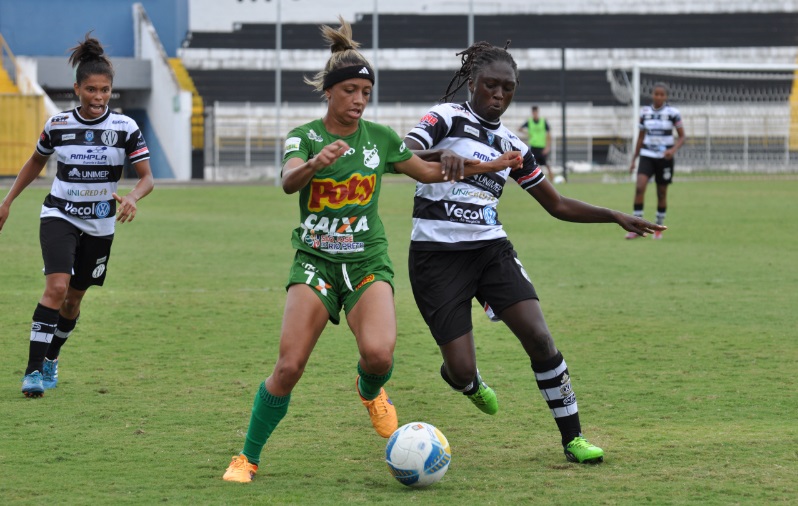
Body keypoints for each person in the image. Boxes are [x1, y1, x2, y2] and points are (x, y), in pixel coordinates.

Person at [222, 18, 521, 484]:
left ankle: (370, 391)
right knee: (288, 367)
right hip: (315, 263)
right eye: (351, 91)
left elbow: (426, 171)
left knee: (380, 355)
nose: (360, 100)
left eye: (366, 91)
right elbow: (288, 181)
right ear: (329, 92)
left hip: (366, 262)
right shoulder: (304, 136)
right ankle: (247, 456)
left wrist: (491, 163)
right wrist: (317, 163)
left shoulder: (379, 139)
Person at [403, 41, 665, 464]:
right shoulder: (445, 117)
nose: (499, 95)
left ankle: (574, 438)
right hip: (436, 257)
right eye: (491, 85)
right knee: (462, 370)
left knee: (540, 338)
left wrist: (615, 214)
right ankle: (465, 382)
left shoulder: (514, 146)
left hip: (490, 251)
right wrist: (441, 153)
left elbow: (557, 204)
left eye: (508, 88)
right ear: (473, 83)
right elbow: (404, 154)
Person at [0, 34, 154, 398]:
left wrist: (132, 196)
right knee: (56, 288)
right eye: (91, 90)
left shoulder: (125, 129)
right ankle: (33, 371)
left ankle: (52, 356)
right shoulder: (57, 125)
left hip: (100, 223)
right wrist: (7, 201)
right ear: (77, 88)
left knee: (73, 299)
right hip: (59, 215)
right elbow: (36, 161)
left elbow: (147, 178)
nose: (98, 97)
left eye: (104, 90)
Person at [627, 82, 685, 240]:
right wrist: (634, 159)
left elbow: (682, 136)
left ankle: (658, 227)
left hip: (664, 159)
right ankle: (636, 227)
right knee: (640, 187)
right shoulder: (645, 112)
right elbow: (640, 137)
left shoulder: (673, 113)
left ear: (666, 97)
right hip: (647, 155)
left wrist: (672, 151)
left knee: (661, 193)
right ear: (652, 95)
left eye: (662, 94)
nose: (659, 97)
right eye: (656, 94)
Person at [519, 105, 553, 179]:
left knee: (546, 164)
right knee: (533, 164)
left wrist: (548, 147)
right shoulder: (529, 121)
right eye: (533, 112)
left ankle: (552, 179)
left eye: (536, 112)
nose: (535, 113)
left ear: (538, 112)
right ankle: (533, 178)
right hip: (533, 146)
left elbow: (549, 134)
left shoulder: (543, 121)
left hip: (542, 146)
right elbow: (520, 129)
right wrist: (528, 134)